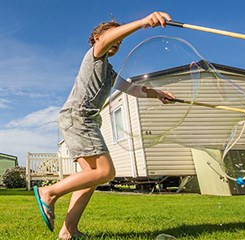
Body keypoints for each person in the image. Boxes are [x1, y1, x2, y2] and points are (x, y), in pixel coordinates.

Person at [33, 11, 175, 240]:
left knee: (90, 178)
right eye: (113, 38)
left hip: (81, 119)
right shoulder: (94, 55)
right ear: (97, 38)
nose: (116, 43)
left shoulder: (108, 71)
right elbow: (108, 39)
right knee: (105, 172)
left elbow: (133, 89)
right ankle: (48, 192)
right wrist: (143, 22)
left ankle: (68, 232)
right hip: (79, 117)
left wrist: (158, 93)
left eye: (119, 43)